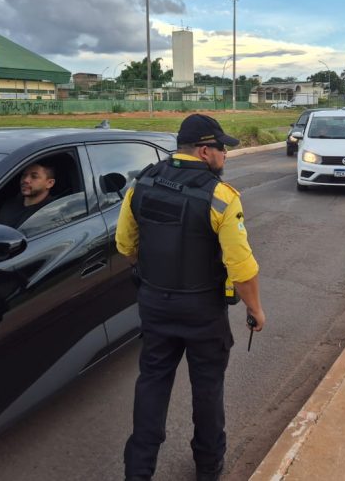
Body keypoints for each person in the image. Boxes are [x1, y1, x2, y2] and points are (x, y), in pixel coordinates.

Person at [116, 113, 266, 481]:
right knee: (208, 389)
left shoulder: (143, 183)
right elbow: (241, 268)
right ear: (203, 151)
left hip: (154, 303)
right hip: (203, 311)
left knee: (152, 382)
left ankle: (138, 471)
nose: (225, 156)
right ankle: (208, 466)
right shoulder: (220, 197)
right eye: (221, 149)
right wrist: (256, 310)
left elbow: (125, 245)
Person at [0, 162, 57, 228]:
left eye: (34, 176)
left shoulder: (52, 211)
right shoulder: (9, 205)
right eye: (24, 175)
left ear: (50, 183)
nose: (26, 180)